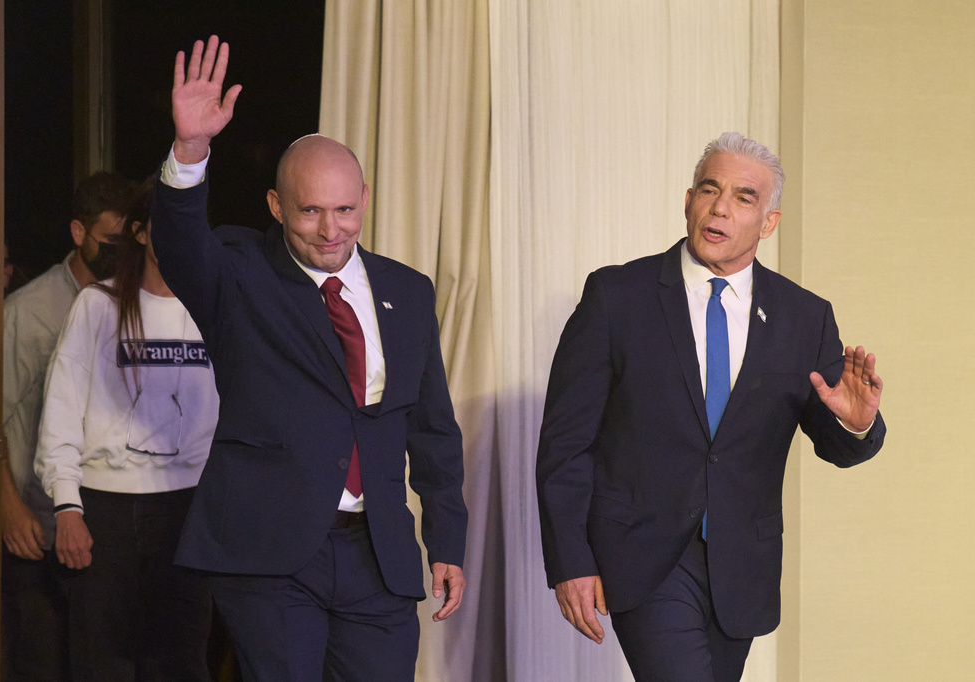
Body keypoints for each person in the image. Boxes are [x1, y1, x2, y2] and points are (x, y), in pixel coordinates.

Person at [147, 36, 468, 681]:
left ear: (366, 199)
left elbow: (432, 428)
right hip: (269, 556)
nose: (331, 230)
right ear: (275, 207)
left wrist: (446, 541)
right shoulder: (240, 276)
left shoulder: (407, 290)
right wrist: (189, 153)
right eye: (311, 212)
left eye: (345, 210)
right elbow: (181, 247)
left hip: (378, 554)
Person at [536, 132, 886, 682]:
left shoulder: (804, 317)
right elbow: (564, 443)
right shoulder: (617, 296)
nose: (720, 207)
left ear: (768, 223)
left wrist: (856, 423)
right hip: (643, 556)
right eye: (709, 189)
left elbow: (834, 444)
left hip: (740, 567)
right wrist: (570, 560)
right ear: (688, 200)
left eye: (744, 197)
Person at [34, 181, 219, 681]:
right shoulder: (99, 304)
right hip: (106, 506)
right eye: (167, 226)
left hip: (187, 507)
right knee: (102, 661)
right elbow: (62, 407)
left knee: (181, 660)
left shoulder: (215, 308)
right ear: (139, 233)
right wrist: (68, 505)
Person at [1, 170, 134, 681]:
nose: (121, 253)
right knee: (42, 661)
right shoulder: (28, 313)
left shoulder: (132, 304)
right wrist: (9, 511)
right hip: (38, 529)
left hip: (105, 531)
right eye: (110, 242)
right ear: (79, 234)